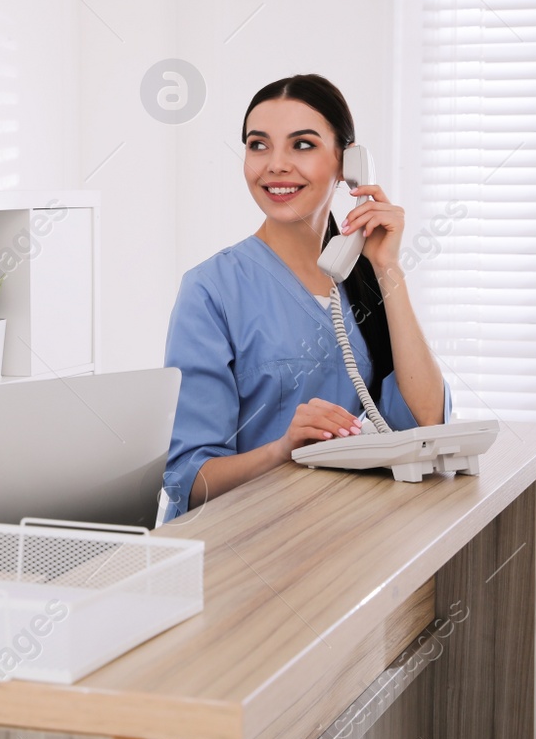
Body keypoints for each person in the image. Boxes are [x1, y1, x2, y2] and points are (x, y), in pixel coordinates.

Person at [162, 74, 450, 518]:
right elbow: (190, 481)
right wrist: (283, 451)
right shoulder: (212, 289)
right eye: (259, 145)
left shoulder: (368, 277)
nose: (275, 165)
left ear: (346, 163)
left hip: (350, 531)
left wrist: (388, 267)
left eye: (302, 145)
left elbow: (428, 424)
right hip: (246, 545)